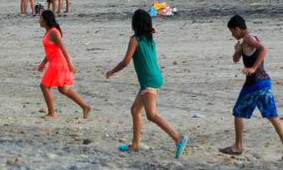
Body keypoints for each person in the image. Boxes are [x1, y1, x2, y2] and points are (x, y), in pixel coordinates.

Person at [106, 9, 188, 157]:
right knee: (135, 110)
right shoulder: (149, 37)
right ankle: (135, 145)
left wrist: (112, 71)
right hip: (153, 78)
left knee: (151, 115)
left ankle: (178, 138)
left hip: (149, 80)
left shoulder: (135, 40)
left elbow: (126, 61)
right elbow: (152, 30)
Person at [219, 15, 283, 159]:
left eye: (232, 32)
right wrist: (237, 51)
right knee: (272, 115)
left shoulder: (248, 38)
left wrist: (253, 67)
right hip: (265, 82)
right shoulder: (247, 40)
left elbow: (264, 50)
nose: (232, 35)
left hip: (254, 83)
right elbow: (235, 60)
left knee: (238, 112)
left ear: (237, 28)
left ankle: (238, 146)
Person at [37, 10, 91, 119]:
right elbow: (51, 50)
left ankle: (52, 113)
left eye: (40, 18)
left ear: (45, 20)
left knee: (44, 86)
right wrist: (43, 62)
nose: (39, 21)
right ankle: (85, 107)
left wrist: (70, 64)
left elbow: (63, 48)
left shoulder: (54, 32)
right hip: (54, 62)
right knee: (63, 89)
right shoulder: (48, 32)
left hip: (58, 64)